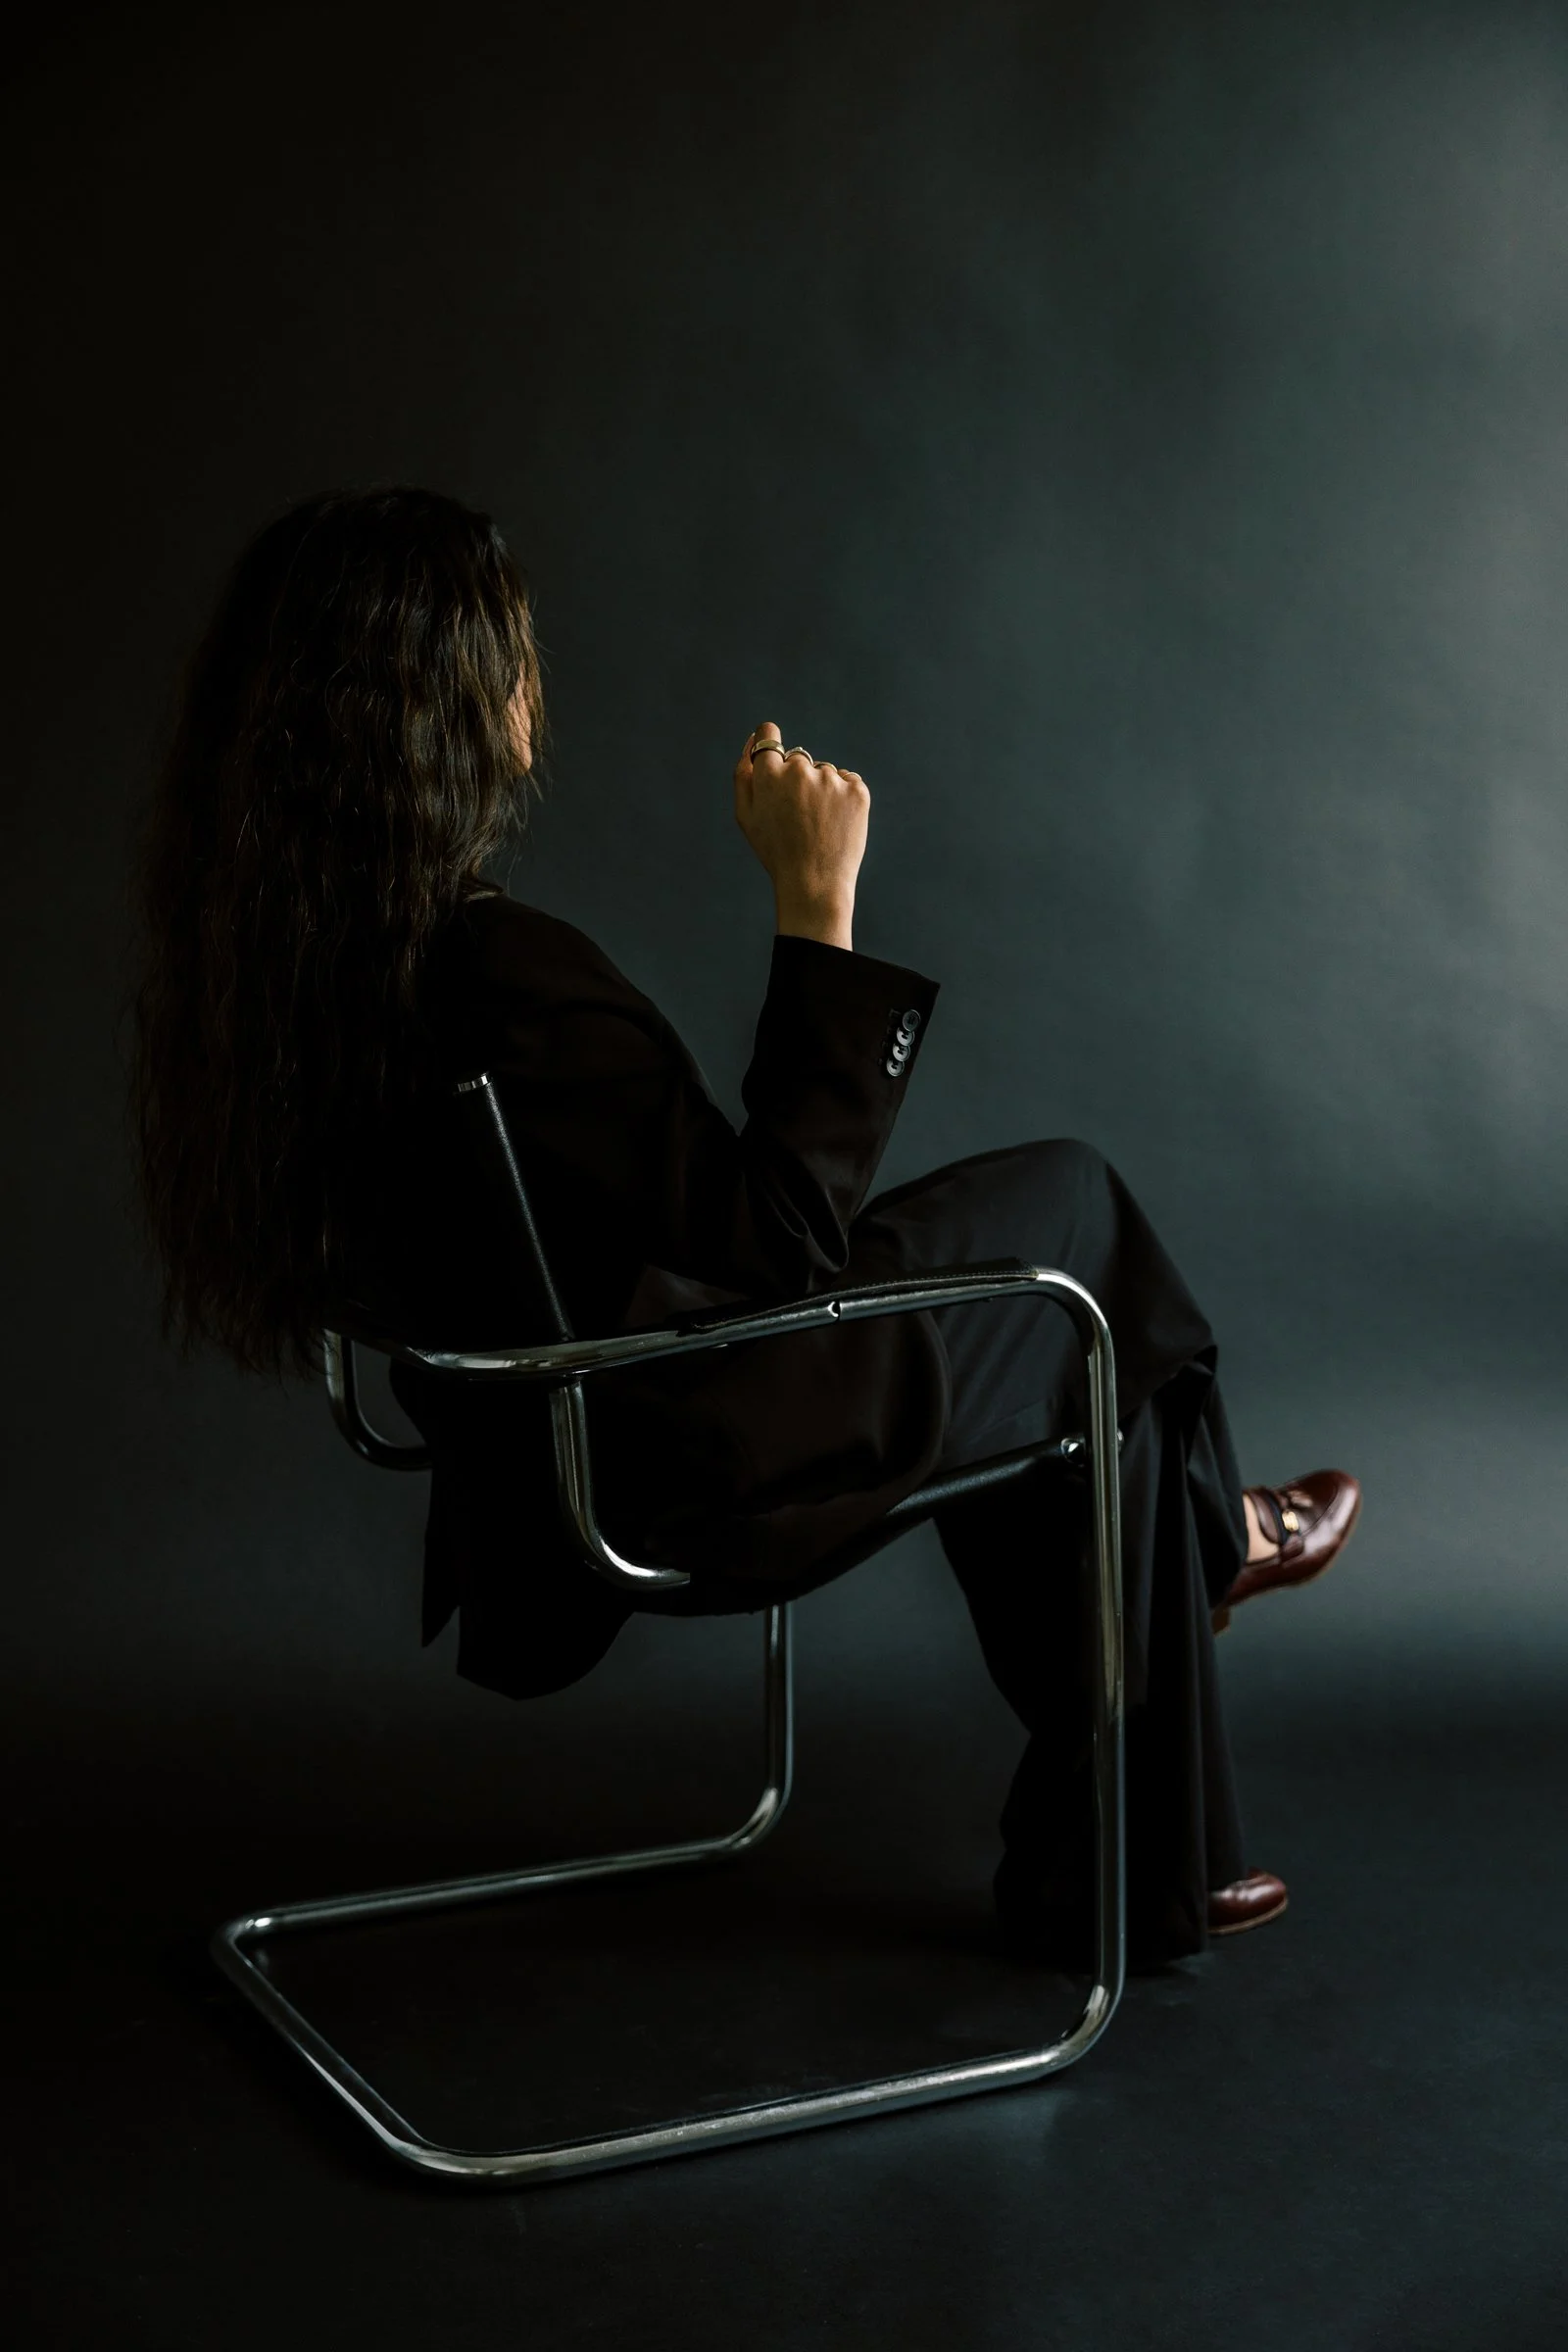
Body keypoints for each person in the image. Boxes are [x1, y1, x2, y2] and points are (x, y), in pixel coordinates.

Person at [132, 486, 1360, 1971]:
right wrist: (814, 900)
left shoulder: (294, 991)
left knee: (1082, 1369)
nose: (535, 689)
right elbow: (779, 1241)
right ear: (434, 706)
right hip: (674, 1450)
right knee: (1076, 1222)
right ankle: (1201, 1579)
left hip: (542, 1449)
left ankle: (1141, 1796)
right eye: (509, 658)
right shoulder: (495, 977)